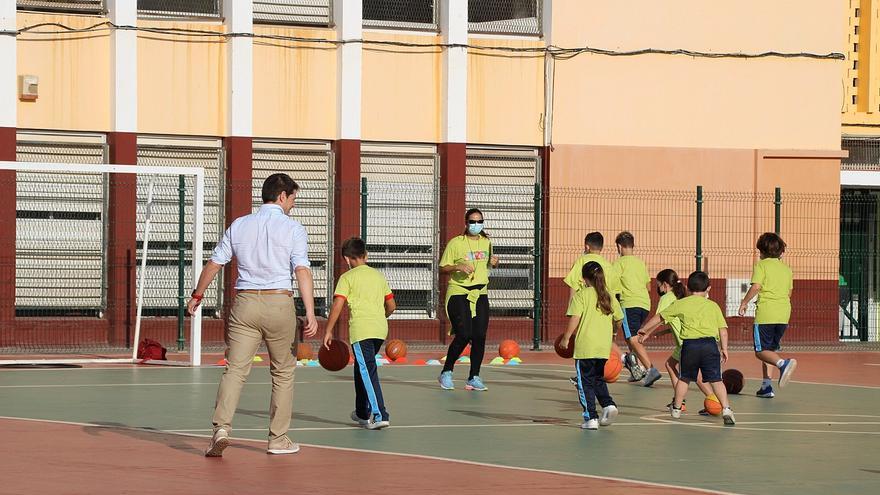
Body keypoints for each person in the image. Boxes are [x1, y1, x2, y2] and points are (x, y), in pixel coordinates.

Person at [187, 173, 318, 457]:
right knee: (283, 372)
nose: (293, 204)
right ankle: (278, 438)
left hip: (245, 303)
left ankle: (221, 429)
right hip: (279, 302)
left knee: (234, 370)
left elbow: (215, 263)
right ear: (282, 196)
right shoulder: (294, 229)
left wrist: (197, 295)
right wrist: (310, 311)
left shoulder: (240, 225)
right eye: (293, 198)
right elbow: (302, 270)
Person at [638, 271, 735, 426]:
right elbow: (723, 330)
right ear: (708, 289)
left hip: (690, 345)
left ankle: (676, 407)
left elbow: (659, 318)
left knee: (684, 378)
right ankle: (726, 409)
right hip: (710, 345)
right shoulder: (713, 306)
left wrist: (645, 329)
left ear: (688, 288)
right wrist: (724, 348)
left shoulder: (680, 303)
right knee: (717, 380)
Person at [322, 237, 396, 430]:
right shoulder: (378, 276)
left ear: (347, 259)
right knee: (361, 369)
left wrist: (328, 330)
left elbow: (338, 304)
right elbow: (391, 305)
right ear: (366, 255)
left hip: (362, 330)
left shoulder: (347, 277)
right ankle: (362, 412)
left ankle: (380, 414)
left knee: (367, 370)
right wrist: (380, 317)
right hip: (380, 329)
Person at [438, 208, 499, 391]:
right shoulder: (456, 243)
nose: (476, 225)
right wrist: (458, 266)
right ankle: (446, 372)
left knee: (479, 335)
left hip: (480, 292)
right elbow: (442, 268)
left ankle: (474, 376)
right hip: (459, 292)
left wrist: (495, 262)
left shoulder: (487, 243)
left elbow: (488, 265)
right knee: (464, 334)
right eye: (472, 221)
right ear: (466, 224)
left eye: (479, 221)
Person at [559, 261, 623, 430]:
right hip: (603, 347)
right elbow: (619, 319)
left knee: (584, 383)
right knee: (598, 379)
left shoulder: (581, 295)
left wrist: (566, 338)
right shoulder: (608, 295)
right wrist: (614, 331)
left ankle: (590, 417)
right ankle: (609, 405)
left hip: (585, 347)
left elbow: (575, 318)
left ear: (585, 278)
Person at [564, 232, 634, 382]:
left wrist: (571, 307)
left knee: (584, 338)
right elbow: (615, 292)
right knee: (603, 338)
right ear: (602, 247)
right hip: (605, 307)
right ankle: (623, 358)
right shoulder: (609, 266)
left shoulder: (582, 261)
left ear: (586, 246)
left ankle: (583, 374)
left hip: (585, 306)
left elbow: (573, 284)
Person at [738, 232, 796, 398]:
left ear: (762, 251)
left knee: (760, 351)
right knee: (769, 350)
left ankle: (782, 364)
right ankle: (766, 386)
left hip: (766, 314)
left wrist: (744, 302)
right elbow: (789, 293)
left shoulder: (761, 266)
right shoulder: (786, 269)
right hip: (784, 313)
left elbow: (756, 287)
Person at [650, 269, 714, 414]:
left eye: (658, 285)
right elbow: (678, 320)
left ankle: (711, 399)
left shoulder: (666, 298)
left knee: (693, 374)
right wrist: (664, 332)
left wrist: (645, 333)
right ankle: (679, 400)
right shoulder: (681, 296)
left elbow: (659, 319)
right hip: (688, 339)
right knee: (671, 364)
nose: (658, 288)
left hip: (685, 341)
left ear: (665, 285)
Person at [612, 231, 661, 386]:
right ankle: (637, 370)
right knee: (630, 337)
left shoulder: (618, 263)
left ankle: (650, 369)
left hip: (629, 303)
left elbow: (613, 286)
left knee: (632, 338)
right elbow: (648, 285)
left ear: (619, 247)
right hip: (644, 304)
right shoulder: (640, 263)